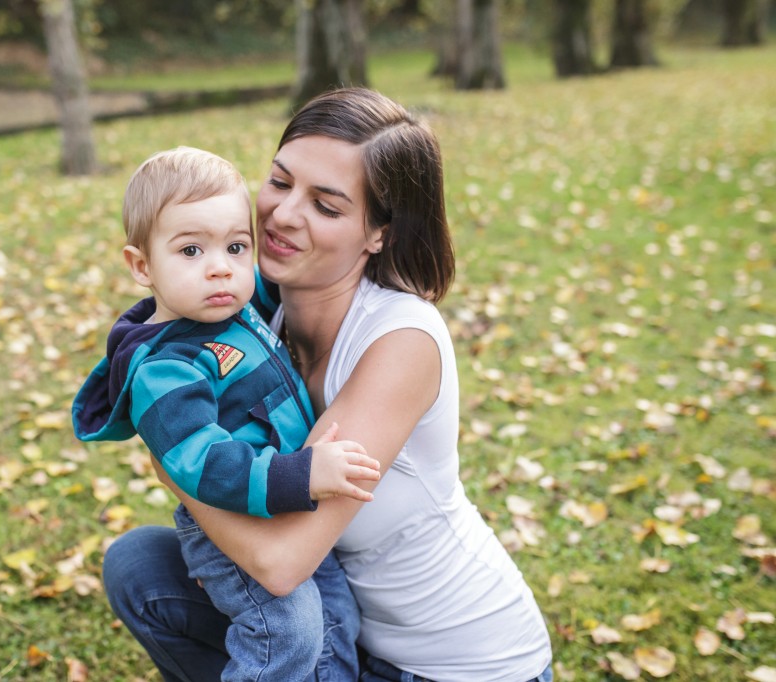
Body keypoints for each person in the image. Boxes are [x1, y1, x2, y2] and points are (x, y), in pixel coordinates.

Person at [102, 90, 555, 682]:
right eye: (280, 181)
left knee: (281, 605)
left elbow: (282, 564)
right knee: (138, 564)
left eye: (327, 206)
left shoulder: (401, 340)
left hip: (456, 665)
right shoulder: (252, 318)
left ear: (379, 235)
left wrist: (174, 466)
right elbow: (164, 338)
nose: (284, 215)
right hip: (339, 636)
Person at [72, 146, 381, 681]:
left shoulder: (235, 307)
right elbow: (205, 465)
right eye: (190, 251)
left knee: (337, 622)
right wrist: (304, 473)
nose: (220, 269)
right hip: (237, 528)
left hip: (287, 515)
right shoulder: (166, 369)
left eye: (237, 246)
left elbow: (303, 275)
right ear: (142, 266)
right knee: (288, 632)